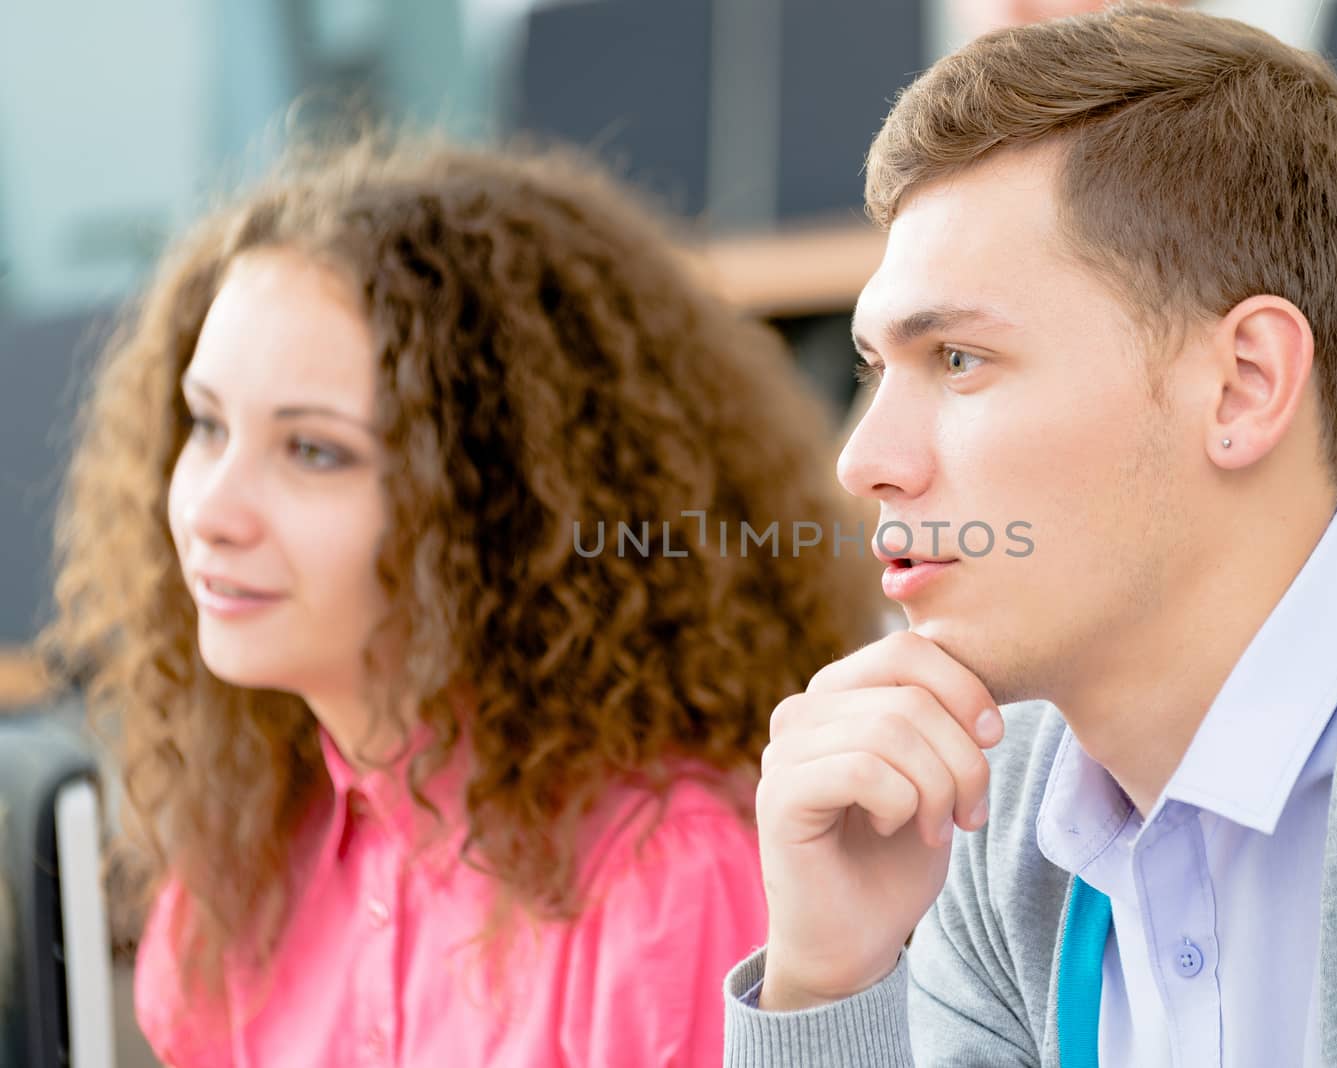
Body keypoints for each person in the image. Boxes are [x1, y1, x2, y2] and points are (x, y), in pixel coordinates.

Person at [723, 6, 1337, 1066]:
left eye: (956, 359)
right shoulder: (992, 809)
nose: (859, 462)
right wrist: (832, 981)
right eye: (874, 371)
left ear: (1241, 386)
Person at [44, 138, 876, 1066]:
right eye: (206, 425)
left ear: (499, 506)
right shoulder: (242, 859)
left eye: (313, 452)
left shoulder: (667, 881)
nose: (209, 510)